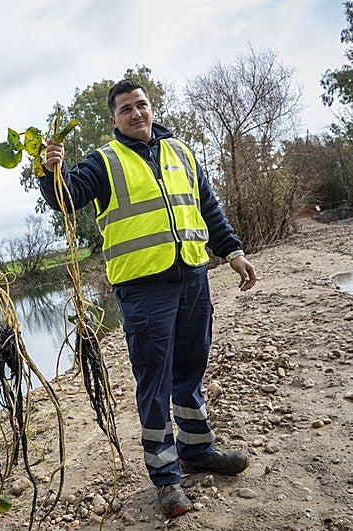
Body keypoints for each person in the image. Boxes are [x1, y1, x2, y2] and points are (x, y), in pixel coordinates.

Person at [40, 79, 257, 519]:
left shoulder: (181, 152)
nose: (136, 113)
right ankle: (166, 478)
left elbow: (207, 207)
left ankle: (198, 449)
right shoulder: (103, 161)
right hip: (142, 289)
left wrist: (232, 251)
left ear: (151, 107)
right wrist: (51, 171)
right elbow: (66, 199)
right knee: (154, 381)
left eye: (141, 104)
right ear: (114, 119)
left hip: (193, 277)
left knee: (191, 367)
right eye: (126, 109)